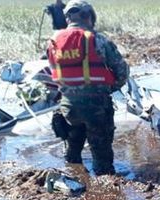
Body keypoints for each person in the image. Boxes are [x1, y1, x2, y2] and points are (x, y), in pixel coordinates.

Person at [47, 0, 129, 176]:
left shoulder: (53, 42)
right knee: (102, 157)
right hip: (96, 108)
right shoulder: (97, 39)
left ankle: (73, 176)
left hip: (68, 108)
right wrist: (110, 87)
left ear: (68, 18)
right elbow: (122, 72)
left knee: (73, 149)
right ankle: (105, 189)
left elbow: (55, 76)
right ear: (88, 16)